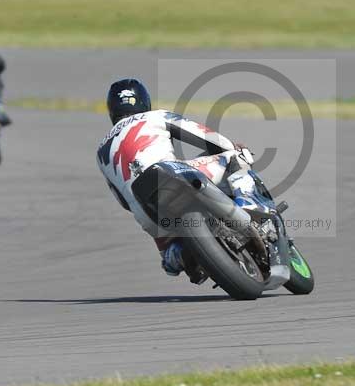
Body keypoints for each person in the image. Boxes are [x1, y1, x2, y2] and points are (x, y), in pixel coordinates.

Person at [96, 78, 256, 283]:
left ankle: (178, 255)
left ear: (112, 109)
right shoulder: (154, 116)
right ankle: (248, 205)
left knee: (169, 258)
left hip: (145, 208)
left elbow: (122, 200)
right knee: (235, 156)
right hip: (175, 175)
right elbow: (205, 136)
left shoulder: (101, 151)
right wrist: (229, 146)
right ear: (144, 101)